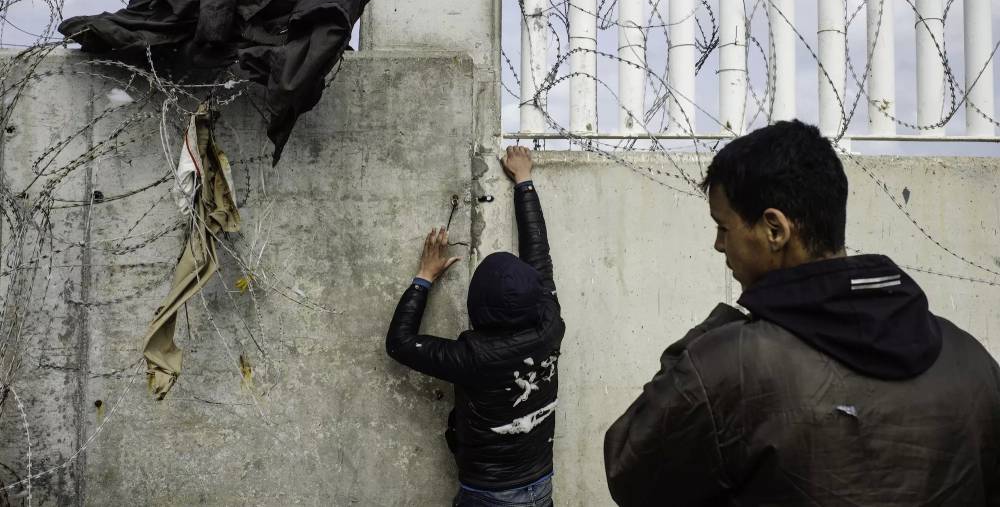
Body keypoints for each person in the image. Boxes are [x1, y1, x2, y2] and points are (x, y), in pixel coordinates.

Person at [604, 120, 1000, 505]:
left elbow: (629, 469)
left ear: (774, 230)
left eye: (723, 228)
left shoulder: (729, 365)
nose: (718, 245)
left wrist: (710, 334)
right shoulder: (972, 361)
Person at [387, 146, 563, 507]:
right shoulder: (550, 322)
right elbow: (539, 258)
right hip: (540, 482)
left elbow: (400, 343)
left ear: (477, 307)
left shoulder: (472, 357)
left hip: (490, 494)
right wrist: (524, 181)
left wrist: (424, 277)